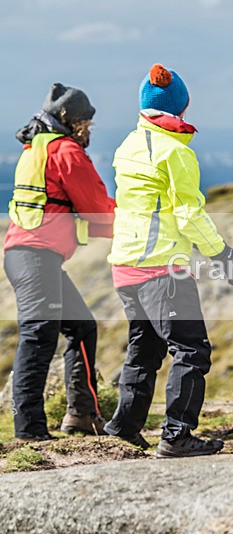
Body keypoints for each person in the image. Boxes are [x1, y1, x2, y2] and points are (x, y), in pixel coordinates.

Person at [103, 64, 233, 458]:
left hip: (125, 267)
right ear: (179, 108)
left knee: (145, 350)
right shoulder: (176, 153)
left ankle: (124, 427)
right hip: (162, 268)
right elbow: (189, 215)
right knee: (191, 350)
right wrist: (226, 258)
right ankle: (176, 434)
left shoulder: (128, 147)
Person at [4, 83, 116, 441]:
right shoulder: (66, 151)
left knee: (82, 327)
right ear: (73, 120)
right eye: (86, 122)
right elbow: (96, 207)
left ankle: (81, 415)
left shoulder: (36, 147)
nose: (89, 129)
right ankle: (30, 430)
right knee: (39, 336)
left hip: (27, 255)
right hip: (36, 257)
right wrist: (139, 223)